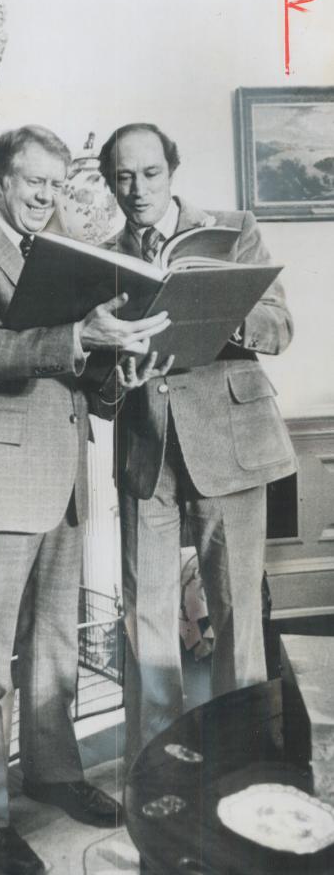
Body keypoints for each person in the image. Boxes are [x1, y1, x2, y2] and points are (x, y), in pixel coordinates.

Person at [0, 124, 170, 875]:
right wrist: (77, 336)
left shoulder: (63, 252)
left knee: (56, 645)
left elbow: (76, 371)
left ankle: (55, 773)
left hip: (64, 472)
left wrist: (111, 373)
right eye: (31, 181)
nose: (43, 196)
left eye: (55, 184)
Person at [98, 122, 297, 767]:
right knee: (146, 621)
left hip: (228, 441)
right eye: (123, 176)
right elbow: (95, 373)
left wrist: (222, 308)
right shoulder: (102, 257)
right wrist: (113, 373)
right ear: (110, 181)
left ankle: (244, 765)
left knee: (239, 616)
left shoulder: (232, 231)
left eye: (150, 174)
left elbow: (279, 325)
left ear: (172, 172)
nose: (137, 189)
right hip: (145, 451)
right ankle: (159, 771)